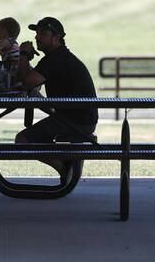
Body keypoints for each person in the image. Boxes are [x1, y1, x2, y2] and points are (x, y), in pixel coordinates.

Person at [15, 17, 98, 179]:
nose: (37, 37)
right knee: (36, 138)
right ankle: (70, 161)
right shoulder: (58, 57)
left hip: (76, 122)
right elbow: (31, 81)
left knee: (22, 140)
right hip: (79, 119)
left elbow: (25, 82)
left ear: (56, 37)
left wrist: (23, 54)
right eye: (37, 33)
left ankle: (66, 166)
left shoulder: (54, 60)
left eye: (43, 33)